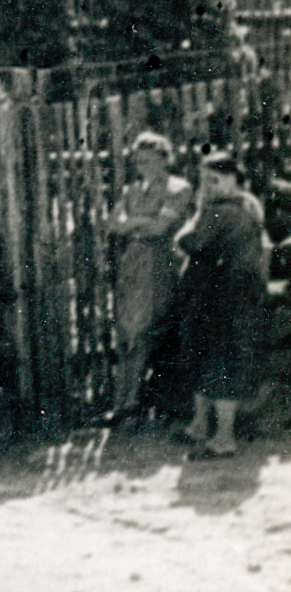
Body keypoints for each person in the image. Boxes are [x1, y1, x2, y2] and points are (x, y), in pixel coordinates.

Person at [177, 149, 269, 458]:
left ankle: (224, 437)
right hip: (232, 293)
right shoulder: (246, 204)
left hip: (226, 295)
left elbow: (191, 242)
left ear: (231, 179)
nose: (209, 186)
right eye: (204, 181)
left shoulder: (222, 210)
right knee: (211, 357)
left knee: (221, 361)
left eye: (214, 180)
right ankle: (201, 425)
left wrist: (189, 226)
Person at [109, 130, 191, 425]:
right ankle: (123, 402)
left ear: (164, 159)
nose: (143, 167)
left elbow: (160, 230)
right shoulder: (132, 190)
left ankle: (131, 403)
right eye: (139, 161)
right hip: (132, 263)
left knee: (144, 330)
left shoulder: (177, 188)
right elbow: (112, 224)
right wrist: (143, 221)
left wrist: (133, 223)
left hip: (160, 263)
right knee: (127, 333)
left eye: (149, 160)